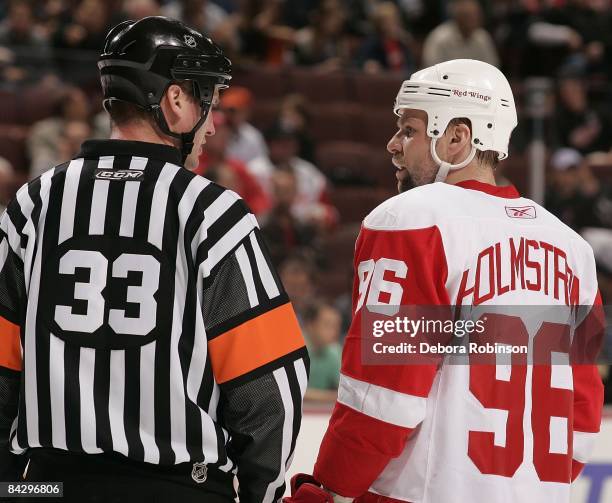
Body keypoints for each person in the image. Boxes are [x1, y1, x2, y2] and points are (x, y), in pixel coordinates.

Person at [0, 16, 308, 503]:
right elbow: (272, 385)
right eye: (208, 100)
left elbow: (0, 365)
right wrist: (259, 495)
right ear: (176, 100)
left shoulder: (35, 203)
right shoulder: (212, 213)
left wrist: (17, 484)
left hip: (49, 484)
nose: (212, 122)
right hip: (178, 488)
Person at [285, 59, 604, 502]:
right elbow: (583, 416)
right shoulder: (573, 249)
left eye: (410, 130)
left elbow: (384, 395)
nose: (394, 144)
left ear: (457, 138)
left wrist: (331, 488)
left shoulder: (413, 220)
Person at [422, 0, 499, 68]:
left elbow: (492, 68)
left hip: (476, 83)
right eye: (468, 16)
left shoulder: (483, 37)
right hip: (445, 82)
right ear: (457, 17)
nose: (473, 20)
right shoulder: (439, 38)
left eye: (476, 15)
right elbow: (431, 69)